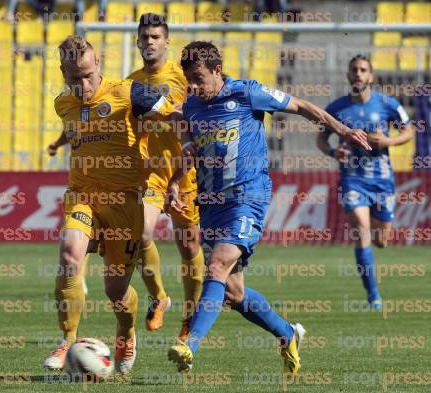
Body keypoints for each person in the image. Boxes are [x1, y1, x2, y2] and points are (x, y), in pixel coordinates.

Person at [166, 41, 371, 374]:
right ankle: (287, 333)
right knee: (232, 293)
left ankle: (189, 345)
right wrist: (175, 182)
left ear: (217, 71)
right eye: (188, 79)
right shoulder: (192, 106)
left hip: (248, 197)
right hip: (212, 205)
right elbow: (189, 149)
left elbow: (303, 106)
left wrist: (344, 130)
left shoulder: (247, 93)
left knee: (216, 267)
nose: (193, 86)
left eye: (198, 78)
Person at [43, 35, 179, 375]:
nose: (84, 84)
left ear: (98, 63)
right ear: (63, 72)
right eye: (75, 78)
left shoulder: (129, 93)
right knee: (69, 256)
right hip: (83, 197)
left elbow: (173, 114)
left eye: (88, 74)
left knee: (115, 292)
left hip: (125, 204)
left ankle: (126, 331)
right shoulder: (63, 103)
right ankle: (68, 339)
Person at [126, 13, 204, 337]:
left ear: (167, 41)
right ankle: (159, 297)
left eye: (155, 37)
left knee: (188, 248)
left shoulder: (184, 79)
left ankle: (190, 318)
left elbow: (197, 129)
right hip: (151, 175)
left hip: (184, 174)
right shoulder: (130, 84)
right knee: (141, 234)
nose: (149, 42)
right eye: (144, 37)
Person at [317, 55, 415, 309]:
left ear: (370, 76)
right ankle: (374, 296)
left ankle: (375, 234)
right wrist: (332, 152)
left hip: (382, 181)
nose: (358, 74)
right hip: (353, 179)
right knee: (361, 230)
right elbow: (322, 139)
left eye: (363, 70)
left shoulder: (387, 104)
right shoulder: (336, 108)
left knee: (382, 240)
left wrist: (388, 142)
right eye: (354, 70)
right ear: (348, 76)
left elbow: (409, 130)